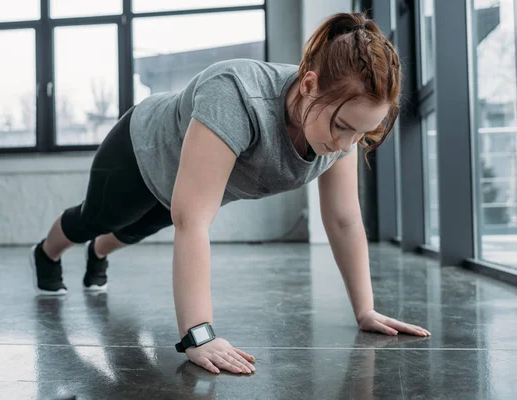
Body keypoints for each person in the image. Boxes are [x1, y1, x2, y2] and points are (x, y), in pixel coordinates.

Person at [29, 12, 431, 376]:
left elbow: (343, 220)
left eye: (363, 133)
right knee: (98, 219)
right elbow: (193, 221)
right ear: (309, 85)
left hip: (181, 184)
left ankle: (98, 253)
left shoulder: (338, 125)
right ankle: (46, 253)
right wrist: (198, 335)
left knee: (133, 231)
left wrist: (365, 309)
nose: (347, 145)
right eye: (343, 127)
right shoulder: (236, 95)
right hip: (140, 152)